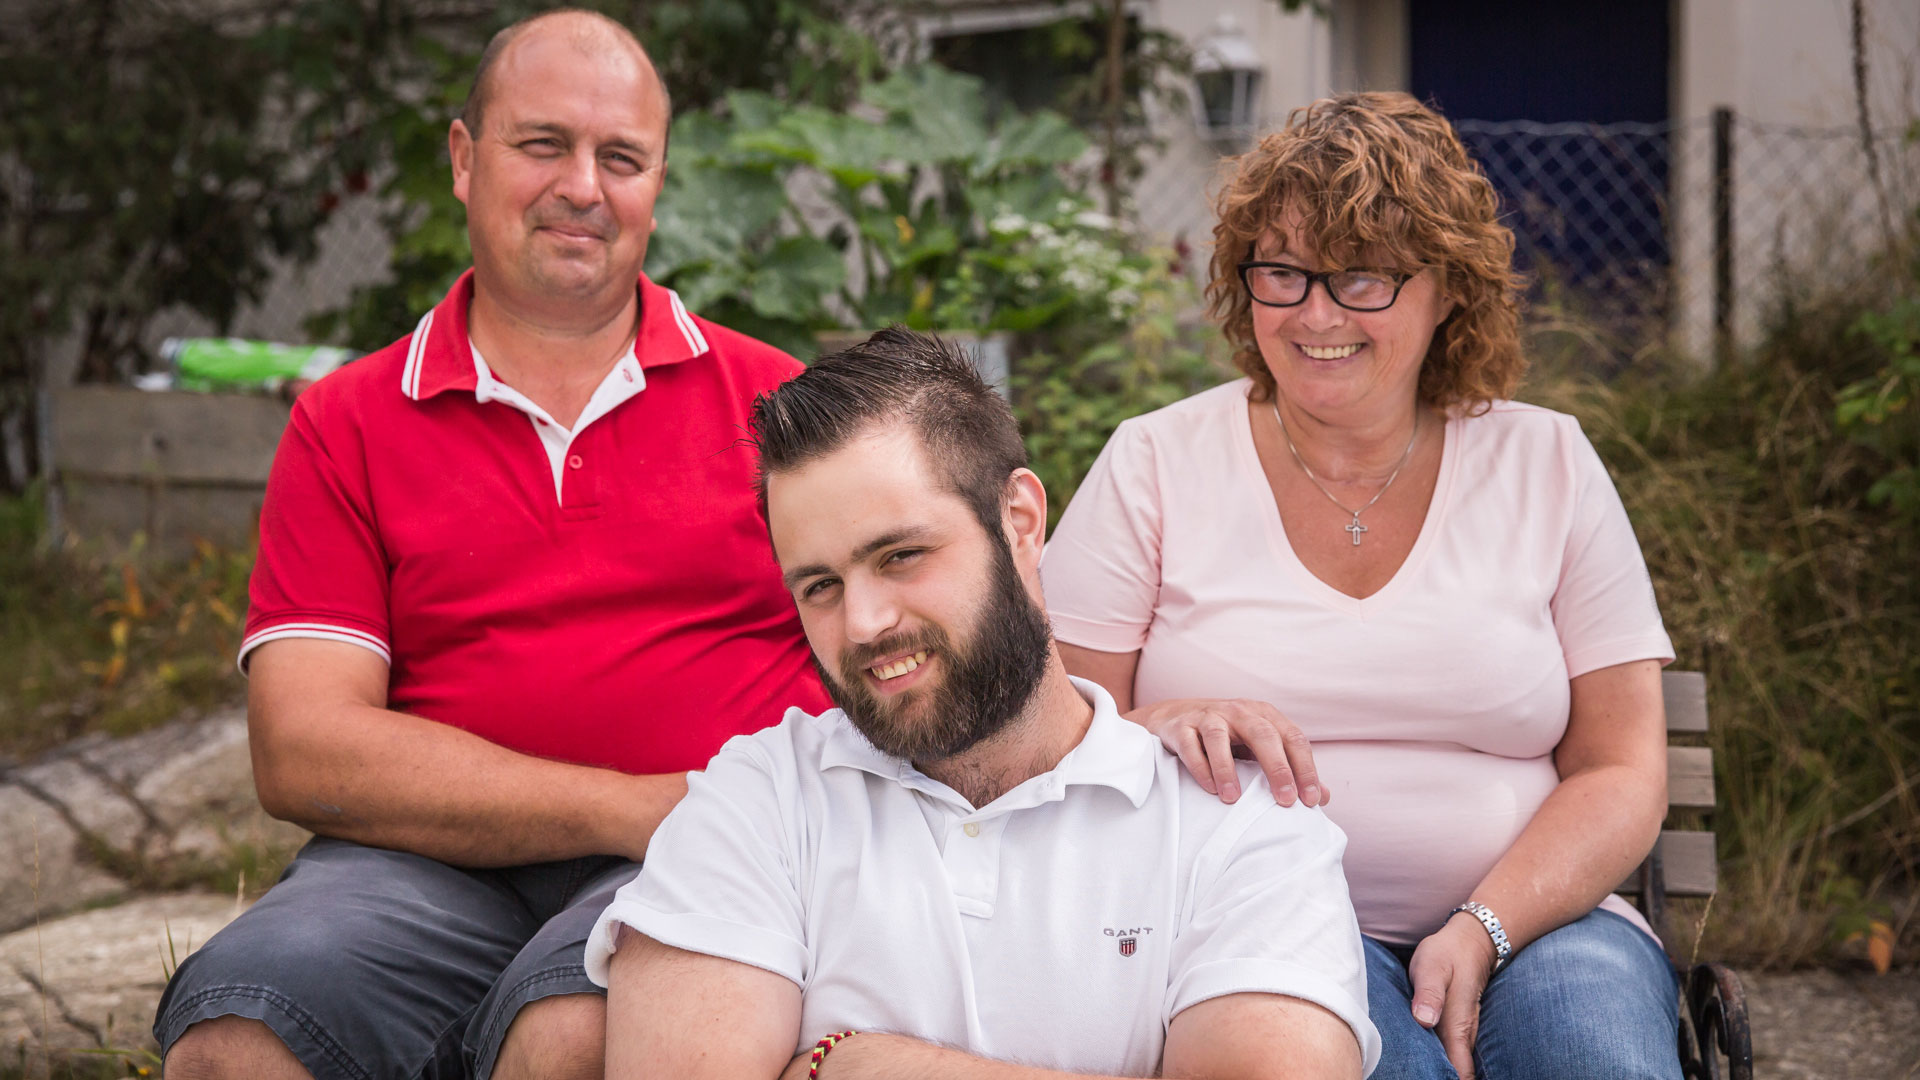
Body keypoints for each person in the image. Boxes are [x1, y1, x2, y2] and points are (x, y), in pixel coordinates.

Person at [154, 11, 828, 1080]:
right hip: (417, 868)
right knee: (237, 1044)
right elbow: (305, 749)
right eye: (543, 144)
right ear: (464, 159)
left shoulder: (783, 407)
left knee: (573, 1039)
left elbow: (906, 648)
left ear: (658, 182)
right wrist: (631, 804)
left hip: (706, 854)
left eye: (622, 158)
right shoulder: (350, 420)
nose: (583, 187)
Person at [1039, 92, 1679, 1080]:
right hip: (1256, 926)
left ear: (1449, 288)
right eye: (1283, 272)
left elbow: (1622, 768)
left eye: (1363, 278)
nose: (1317, 314)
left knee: (1598, 1061)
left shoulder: (1547, 461)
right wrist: (1147, 724)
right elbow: (1050, 734)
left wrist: (1483, 927)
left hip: (1543, 923)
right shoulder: (1154, 463)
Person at [587, 328, 1382, 1080]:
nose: (863, 623)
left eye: (901, 556)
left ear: (1021, 520)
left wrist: (863, 1064)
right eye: (820, 586)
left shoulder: (1239, 816)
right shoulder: (759, 799)